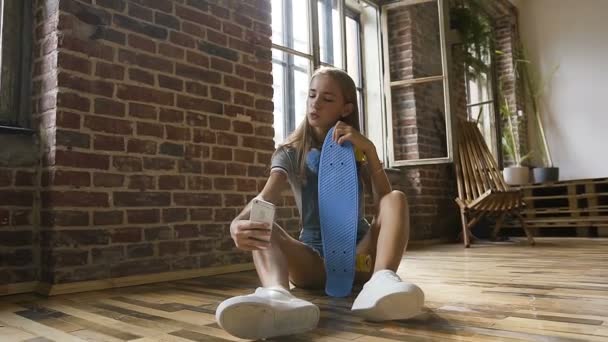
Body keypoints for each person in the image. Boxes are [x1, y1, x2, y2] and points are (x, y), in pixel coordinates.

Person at [215, 67, 424, 340]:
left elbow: (382, 203)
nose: (315, 103)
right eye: (312, 95)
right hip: (312, 263)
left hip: (361, 259)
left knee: (396, 198)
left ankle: (381, 281)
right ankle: (278, 298)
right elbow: (266, 197)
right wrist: (237, 223)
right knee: (260, 219)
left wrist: (370, 151)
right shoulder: (290, 152)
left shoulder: (356, 149)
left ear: (345, 108)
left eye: (326, 99)